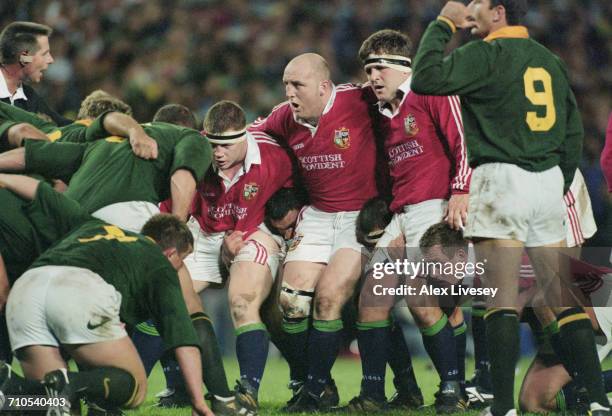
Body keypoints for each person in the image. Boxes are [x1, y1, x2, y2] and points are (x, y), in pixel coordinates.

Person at [411, 1, 608, 415]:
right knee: (562, 294)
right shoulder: (547, 58)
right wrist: (557, 176)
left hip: (502, 179)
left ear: (498, 12)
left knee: (498, 299)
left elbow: (426, 77)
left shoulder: (485, 54)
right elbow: (573, 128)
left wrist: (444, 22)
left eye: (478, 4)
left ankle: (501, 408)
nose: (471, 9)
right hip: (549, 180)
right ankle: (595, 400)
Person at [0, 173, 212, 416]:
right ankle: (72, 382)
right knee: (136, 388)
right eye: (182, 260)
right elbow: (184, 340)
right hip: (76, 288)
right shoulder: (160, 263)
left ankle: (14, 391)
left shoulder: (90, 223)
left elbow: (40, 190)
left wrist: (2, 177)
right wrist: (199, 401)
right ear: (171, 253)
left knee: (56, 405)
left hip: (27, 288)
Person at [347, 29, 472, 413]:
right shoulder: (383, 111)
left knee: (428, 302)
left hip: (435, 209)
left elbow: (462, 142)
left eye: (379, 68)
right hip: (401, 216)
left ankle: (454, 388)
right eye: (368, 70)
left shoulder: (432, 91)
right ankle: (375, 393)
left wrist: (461, 190)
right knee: (370, 300)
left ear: (404, 67)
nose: (373, 78)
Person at [251, 52, 382, 411]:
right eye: (285, 85)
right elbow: (247, 135)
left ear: (324, 87)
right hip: (319, 215)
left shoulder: (358, 100)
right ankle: (317, 384)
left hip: (358, 218)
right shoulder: (283, 118)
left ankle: (314, 391)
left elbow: (400, 97)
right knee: (290, 304)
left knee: (328, 299)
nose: (289, 93)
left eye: (298, 85)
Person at [0, 22, 70, 125]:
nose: (51, 60)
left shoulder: (30, 96)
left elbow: (62, 125)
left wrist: (97, 125)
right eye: (44, 54)